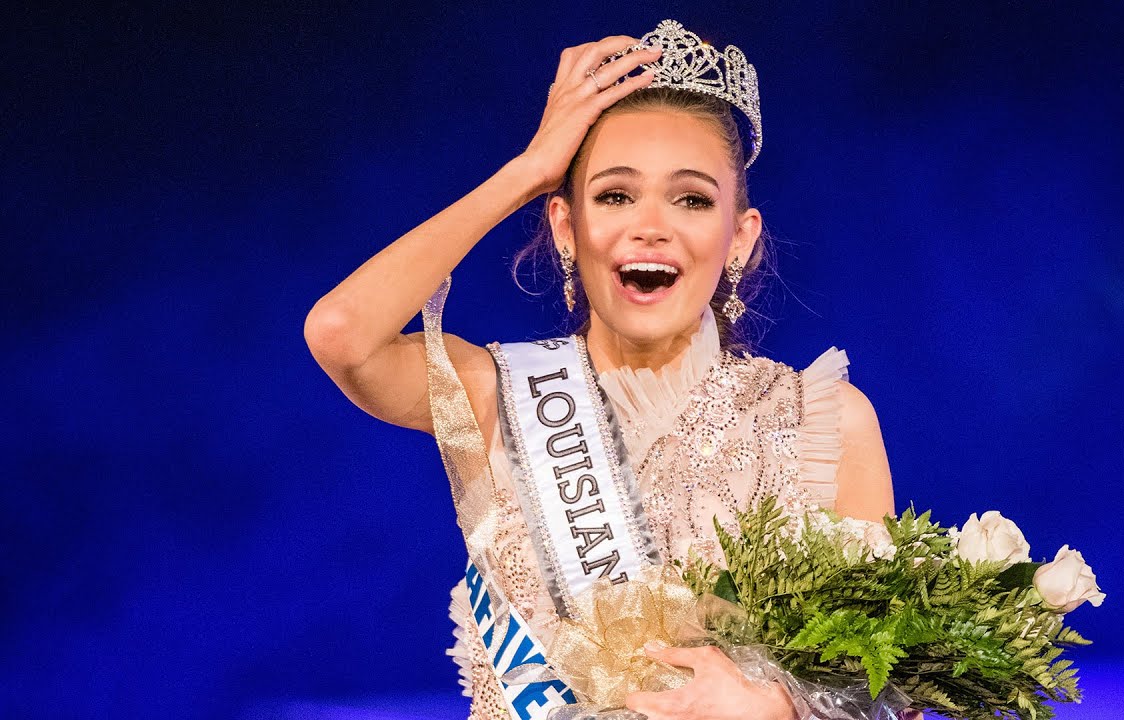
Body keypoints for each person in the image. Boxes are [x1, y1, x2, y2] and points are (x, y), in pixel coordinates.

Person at [305, 20, 899, 720]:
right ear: (566, 226)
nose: (650, 225)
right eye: (615, 195)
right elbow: (343, 335)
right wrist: (527, 171)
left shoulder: (822, 421)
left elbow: (889, 695)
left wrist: (776, 710)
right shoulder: (498, 397)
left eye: (693, 199)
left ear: (739, 238)